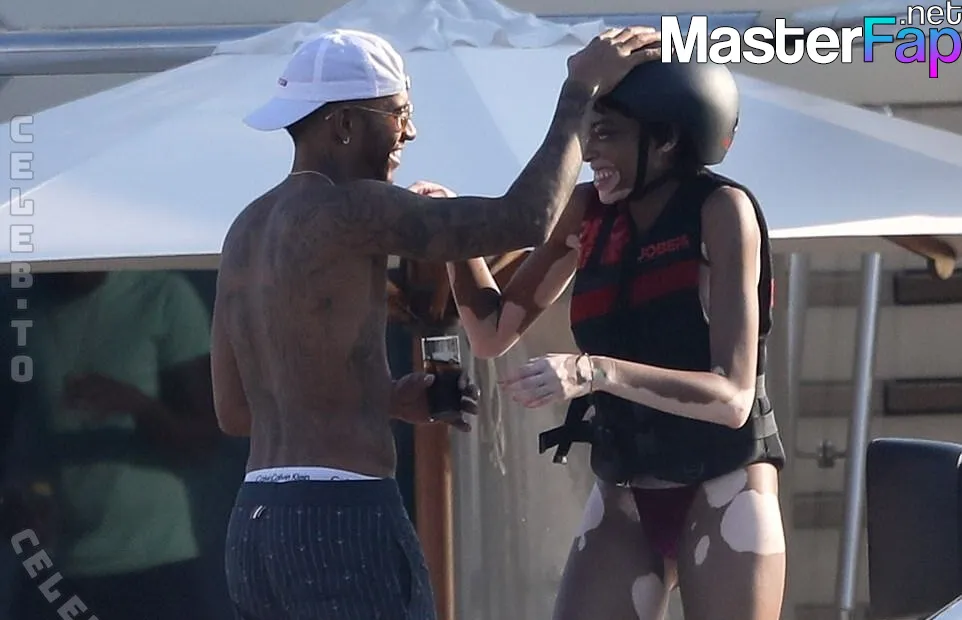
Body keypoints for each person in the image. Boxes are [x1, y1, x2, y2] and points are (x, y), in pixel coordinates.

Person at [214, 26, 661, 620]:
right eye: (399, 114)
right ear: (343, 125)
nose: (411, 132)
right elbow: (526, 219)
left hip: (255, 526)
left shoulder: (244, 229)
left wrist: (386, 399)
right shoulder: (352, 206)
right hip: (340, 519)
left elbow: (235, 412)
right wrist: (579, 91)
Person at [441, 60, 787, 619]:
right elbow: (490, 333)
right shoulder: (587, 211)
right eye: (589, 135)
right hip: (627, 481)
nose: (590, 153)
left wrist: (592, 371)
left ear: (666, 139)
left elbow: (733, 399)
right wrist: (452, 234)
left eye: (606, 134)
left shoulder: (721, 210)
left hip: (723, 478)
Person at [6, 271, 221, 620]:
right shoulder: (16, 308)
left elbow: (207, 440)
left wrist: (140, 406)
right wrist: (13, 503)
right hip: (51, 566)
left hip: (154, 562)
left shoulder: (160, 295)